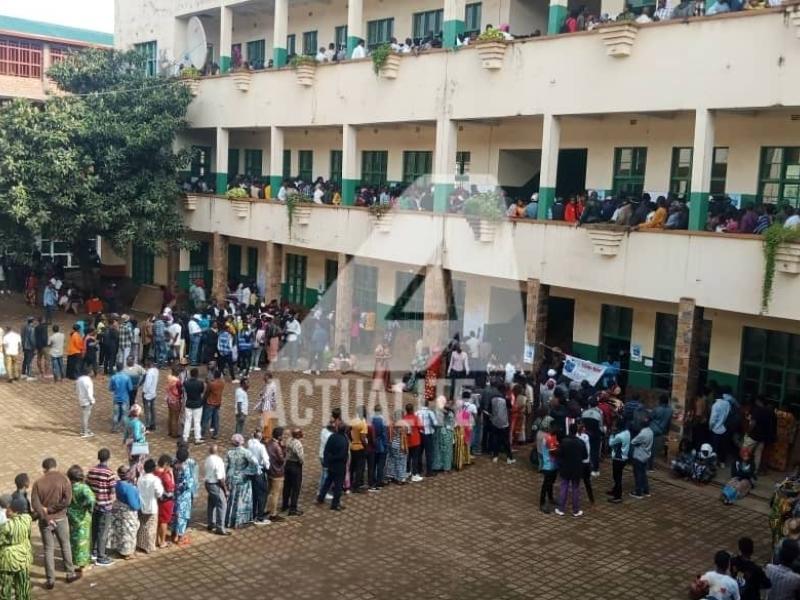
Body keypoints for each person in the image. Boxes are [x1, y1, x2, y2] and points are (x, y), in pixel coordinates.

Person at [31, 458, 79, 589]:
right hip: (61, 518)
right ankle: (70, 574)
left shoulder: (38, 483)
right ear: (55, 466)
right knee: (65, 544)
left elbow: (35, 504)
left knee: (48, 549)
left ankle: (50, 580)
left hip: (44, 520)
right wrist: (53, 510)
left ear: (44, 469)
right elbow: (67, 501)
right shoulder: (64, 480)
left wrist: (46, 515)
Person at [86, 449, 116, 567]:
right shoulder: (110, 473)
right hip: (105, 506)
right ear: (108, 458)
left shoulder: (91, 471)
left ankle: (93, 551)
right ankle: (101, 556)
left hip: (94, 506)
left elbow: (88, 486)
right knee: (103, 532)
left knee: (94, 528)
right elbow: (112, 491)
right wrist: (111, 502)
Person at [66, 465, 95, 572]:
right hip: (83, 518)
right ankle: (83, 565)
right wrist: (87, 508)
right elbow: (91, 500)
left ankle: (73, 560)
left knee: (73, 539)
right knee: (83, 540)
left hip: (71, 516)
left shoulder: (67, 487)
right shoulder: (83, 488)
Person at [555, 424, 587, 517]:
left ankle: (561, 509)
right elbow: (585, 456)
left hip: (566, 467)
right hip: (577, 468)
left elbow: (559, 454)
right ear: (576, 431)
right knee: (575, 489)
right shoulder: (581, 442)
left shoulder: (564, 442)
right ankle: (576, 510)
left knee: (564, 487)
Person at [108, 466, 140, 559]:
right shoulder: (129, 488)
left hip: (119, 510)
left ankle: (119, 549)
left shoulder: (117, 484)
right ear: (128, 475)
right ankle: (127, 553)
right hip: (128, 513)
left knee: (120, 531)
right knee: (128, 532)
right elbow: (134, 505)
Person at [224, 434, 256, 528]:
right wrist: (248, 472)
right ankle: (240, 521)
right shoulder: (246, 452)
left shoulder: (229, 452)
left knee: (231, 499)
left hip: (230, 478)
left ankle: (229, 520)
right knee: (241, 500)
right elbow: (255, 463)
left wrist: (226, 476)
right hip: (242, 478)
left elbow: (225, 465)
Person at [317, 423, 349, 511]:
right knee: (338, 486)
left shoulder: (332, 437)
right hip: (339, 466)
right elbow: (343, 455)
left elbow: (326, 450)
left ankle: (320, 497)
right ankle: (335, 504)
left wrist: (328, 461)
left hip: (331, 465)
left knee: (328, 481)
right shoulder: (344, 440)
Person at [171, 445, 199, 545]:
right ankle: (180, 537)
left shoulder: (173, 463)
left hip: (174, 493)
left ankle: (173, 533)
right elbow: (187, 483)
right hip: (183, 495)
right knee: (182, 515)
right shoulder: (185, 468)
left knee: (175, 513)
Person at [743, 395, 777, 473]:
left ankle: (743, 468)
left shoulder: (757, 410)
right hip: (763, 437)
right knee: (758, 455)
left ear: (758, 401)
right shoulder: (771, 411)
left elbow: (753, 423)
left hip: (754, 435)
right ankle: (755, 471)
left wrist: (748, 432)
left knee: (746, 452)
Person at [136, 458, 164, 553]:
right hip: (152, 506)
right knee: (151, 527)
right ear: (153, 469)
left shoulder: (140, 479)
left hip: (141, 505)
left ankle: (141, 544)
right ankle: (149, 547)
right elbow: (159, 493)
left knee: (142, 525)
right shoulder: (155, 480)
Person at [246, 431, 270, 525]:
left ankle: (253, 514)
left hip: (250, 472)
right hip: (259, 472)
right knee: (262, 494)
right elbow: (265, 460)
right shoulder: (261, 447)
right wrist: (267, 467)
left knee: (254, 494)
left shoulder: (249, 443)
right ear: (260, 438)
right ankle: (260, 516)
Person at [537, 417, 559, 513]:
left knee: (550, 483)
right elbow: (554, 452)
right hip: (548, 465)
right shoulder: (548, 438)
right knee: (546, 484)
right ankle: (542, 503)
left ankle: (550, 498)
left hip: (554, 465)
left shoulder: (553, 437)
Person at [282, 428, 305, 516]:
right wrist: (302, 462)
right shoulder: (298, 444)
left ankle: (284, 505)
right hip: (295, 466)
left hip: (287, 464)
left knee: (287, 486)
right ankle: (293, 508)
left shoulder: (289, 440)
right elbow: (301, 457)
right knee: (296, 488)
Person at [266, 427, 287, 522]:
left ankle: (266, 508)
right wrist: (283, 447)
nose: (283, 436)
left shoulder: (268, 443)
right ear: (279, 436)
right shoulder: (277, 446)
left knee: (269, 492)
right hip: (277, 473)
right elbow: (282, 459)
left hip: (269, 471)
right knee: (275, 494)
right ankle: (273, 514)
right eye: (282, 435)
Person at [608, 420, 631, 504]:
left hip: (618, 458)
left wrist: (611, 434)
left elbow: (610, 443)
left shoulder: (619, 436)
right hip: (624, 457)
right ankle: (615, 490)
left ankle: (618, 496)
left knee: (617, 477)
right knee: (618, 476)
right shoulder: (627, 432)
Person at [154, 455, 175, 548]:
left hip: (157, 500)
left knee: (158, 520)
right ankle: (163, 541)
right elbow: (171, 487)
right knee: (164, 521)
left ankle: (157, 539)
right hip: (166, 501)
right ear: (166, 464)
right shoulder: (165, 475)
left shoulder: (154, 472)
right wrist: (172, 475)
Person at [630, 417, 653, 499]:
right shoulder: (651, 431)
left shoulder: (643, 433)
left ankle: (638, 492)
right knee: (643, 474)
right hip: (646, 455)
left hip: (639, 455)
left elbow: (633, 441)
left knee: (638, 474)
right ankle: (646, 491)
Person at [490, 389, 515, 464]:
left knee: (495, 439)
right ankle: (509, 458)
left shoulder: (493, 399)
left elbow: (490, 409)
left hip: (495, 422)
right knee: (506, 441)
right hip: (504, 422)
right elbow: (510, 407)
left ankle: (495, 456)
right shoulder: (505, 400)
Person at [650, 394, 673, 469]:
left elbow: (650, 417)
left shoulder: (657, 409)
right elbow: (669, 422)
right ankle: (651, 465)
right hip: (661, 431)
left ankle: (649, 466)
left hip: (652, 430)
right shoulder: (670, 410)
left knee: (649, 447)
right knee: (655, 449)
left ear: (660, 401)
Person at [183, 368, 206, 444]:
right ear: (197, 374)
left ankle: (185, 437)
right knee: (197, 422)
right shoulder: (200, 383)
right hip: (197, 404)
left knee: (187, 421)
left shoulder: (186, 383)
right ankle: (197, 438)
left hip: (189, 403)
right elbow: (202, 391)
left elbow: (185, 391)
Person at [709, 390, 732, 467]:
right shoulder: (727, 404)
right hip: (724, 429)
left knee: (714, 447)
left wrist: (710, 427)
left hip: (715, 429)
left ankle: (714, 462)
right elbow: (728, 414)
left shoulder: (715, 405)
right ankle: (722, 462)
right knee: (723, 447)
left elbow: (713, 419)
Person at [349, 406, 369, 491]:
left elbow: (348, 431)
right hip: (360, 447)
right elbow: (363, 438)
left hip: (352, 446)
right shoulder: (363, 423)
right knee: (360, 467)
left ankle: (349, 482)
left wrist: (352, 440)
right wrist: (366, 445)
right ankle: (356, 486)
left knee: (352, 466)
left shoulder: (353, 420)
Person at [109, 365, 133, 433]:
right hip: (124, 398)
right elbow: (130, 388)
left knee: (116, 414)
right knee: (124, 414)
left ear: (116, 369)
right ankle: (124, 429)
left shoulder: (113, 377)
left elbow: (110, 388)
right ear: (122, 368)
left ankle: (114, 428)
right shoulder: (127, 377)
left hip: (116, 398)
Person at [202, 370, 225, 440]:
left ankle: (202, 434)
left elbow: (207, 393)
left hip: (210, 403)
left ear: (214, 375)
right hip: (218, 402)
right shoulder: (222, 382)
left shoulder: (212, 384)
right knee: (216, 419)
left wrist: (203, 400)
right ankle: (215, 434)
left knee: (205, 419)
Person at [76, 367, 96, 438]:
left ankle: (83, 429)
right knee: (86, 417)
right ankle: (85, 432)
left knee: (84, 415)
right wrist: (92, 401)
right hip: (87, 401)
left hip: (81, 399)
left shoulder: (79, 379)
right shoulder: (89, 381)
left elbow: (77, 390)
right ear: (89, 373)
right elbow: (89, 393)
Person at [141, 359, 159, 432]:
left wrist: (144, 392)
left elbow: (147, 384)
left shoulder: (149, 373)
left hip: (147, 394)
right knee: (152, 409)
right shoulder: (156, 371)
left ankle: (147, 425)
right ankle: (153, 424)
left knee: (147, 410)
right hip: (153, 392)